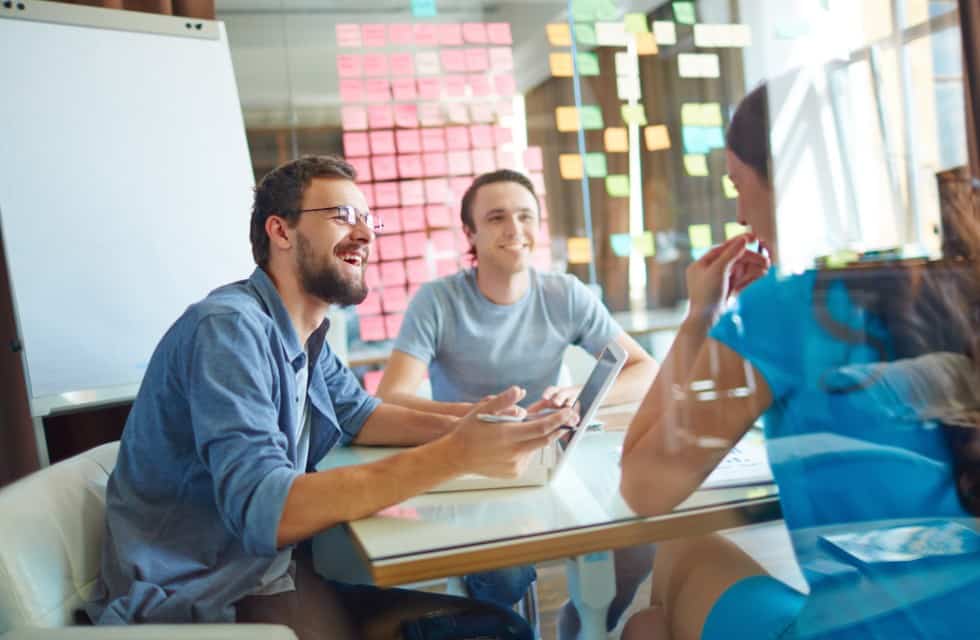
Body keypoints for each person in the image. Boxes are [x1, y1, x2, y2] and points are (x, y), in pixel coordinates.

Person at [85, 155, 578, 640]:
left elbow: (362, 416)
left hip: (267, 571)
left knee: (499, 625)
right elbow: (266, 510)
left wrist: (483, 425)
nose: (364, 233)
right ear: (281, 232)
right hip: (201, 594)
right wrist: (455, 454)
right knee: (495, 631)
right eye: (343, 216)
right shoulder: (230, 329)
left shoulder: (307, 331)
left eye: (367, 219)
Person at [619, 84, 980, 639]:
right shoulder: (957, 285)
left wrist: (702, 318)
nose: (740, 211)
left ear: (787, 182)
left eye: (739, 185)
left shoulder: (785, 310)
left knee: (665, 579)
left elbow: (643, 488)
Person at [377, 169, 660, 636]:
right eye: (496, 217)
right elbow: (392, 398)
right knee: (505, 575)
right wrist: (478, 418)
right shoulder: (437, 301)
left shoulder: (564, 294)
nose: (514, 229)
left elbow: (643, 368)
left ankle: (577, 623)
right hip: (475, 474)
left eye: (526, 215)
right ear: (470, 233)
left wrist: (579, 393)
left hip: (554, 463)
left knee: (636, 543)